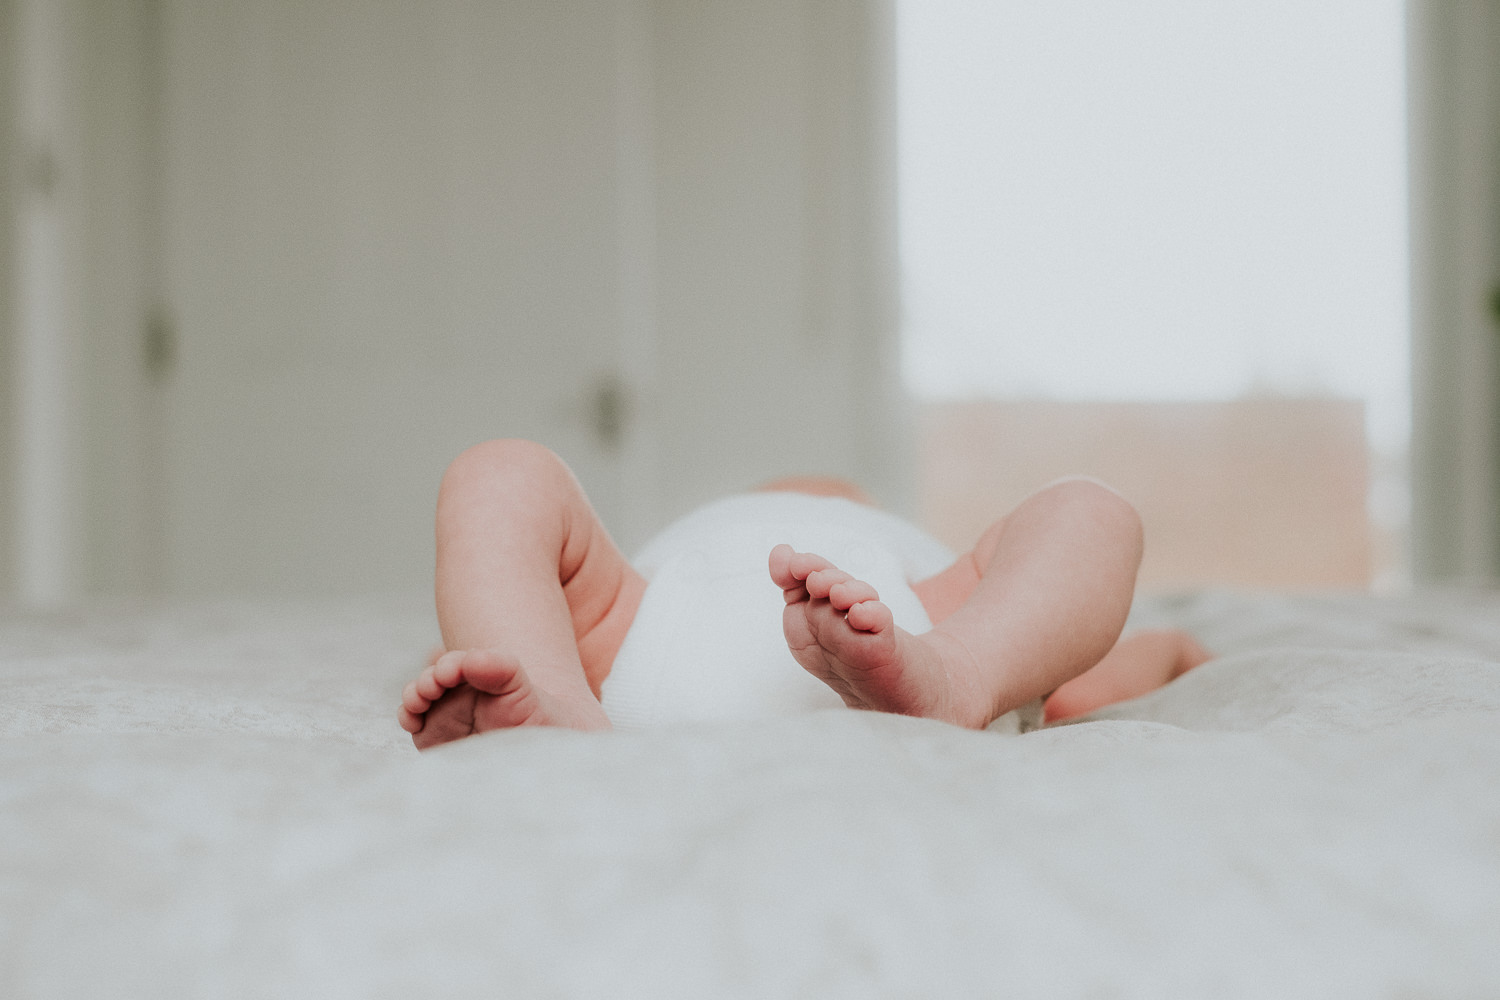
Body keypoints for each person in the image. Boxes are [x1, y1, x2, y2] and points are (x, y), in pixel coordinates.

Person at [397, 439, 1210, 749]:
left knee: (499, 476)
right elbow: (1079, 666)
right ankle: (965, 675)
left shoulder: (666, 575)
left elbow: (520, 580)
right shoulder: (912, 561)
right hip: (924, 621)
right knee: (1088, 512)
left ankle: (547, 694)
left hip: (642, 640)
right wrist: (1168, 647)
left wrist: (490, 637)